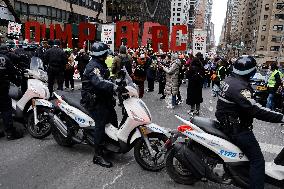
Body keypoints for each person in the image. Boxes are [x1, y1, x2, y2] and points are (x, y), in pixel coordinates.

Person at [215, 56, 284, 189]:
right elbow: (256, 110)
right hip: (238, 129)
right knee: (258, 161)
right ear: (251, 71)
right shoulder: (241, 88)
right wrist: (281, 117)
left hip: (225, 123)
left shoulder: (228, 80)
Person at [80, 42, 128, 168]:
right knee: (100, 124)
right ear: (101, 54)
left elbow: (107, 77)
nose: (108, 54)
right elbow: (99, 82)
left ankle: (110, 143)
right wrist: (115, 87)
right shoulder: (93, 67)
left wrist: (120, 81)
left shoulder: (100, 64)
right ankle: (98, 155)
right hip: (94, 100)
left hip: (102, 97)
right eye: (106, 53)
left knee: (112, 118)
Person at [0, 45, 23, 140]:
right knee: (6, 109)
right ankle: (10, 132)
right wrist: (18, 82)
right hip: (1, 88)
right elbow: (13, 73)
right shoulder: (3, 59)